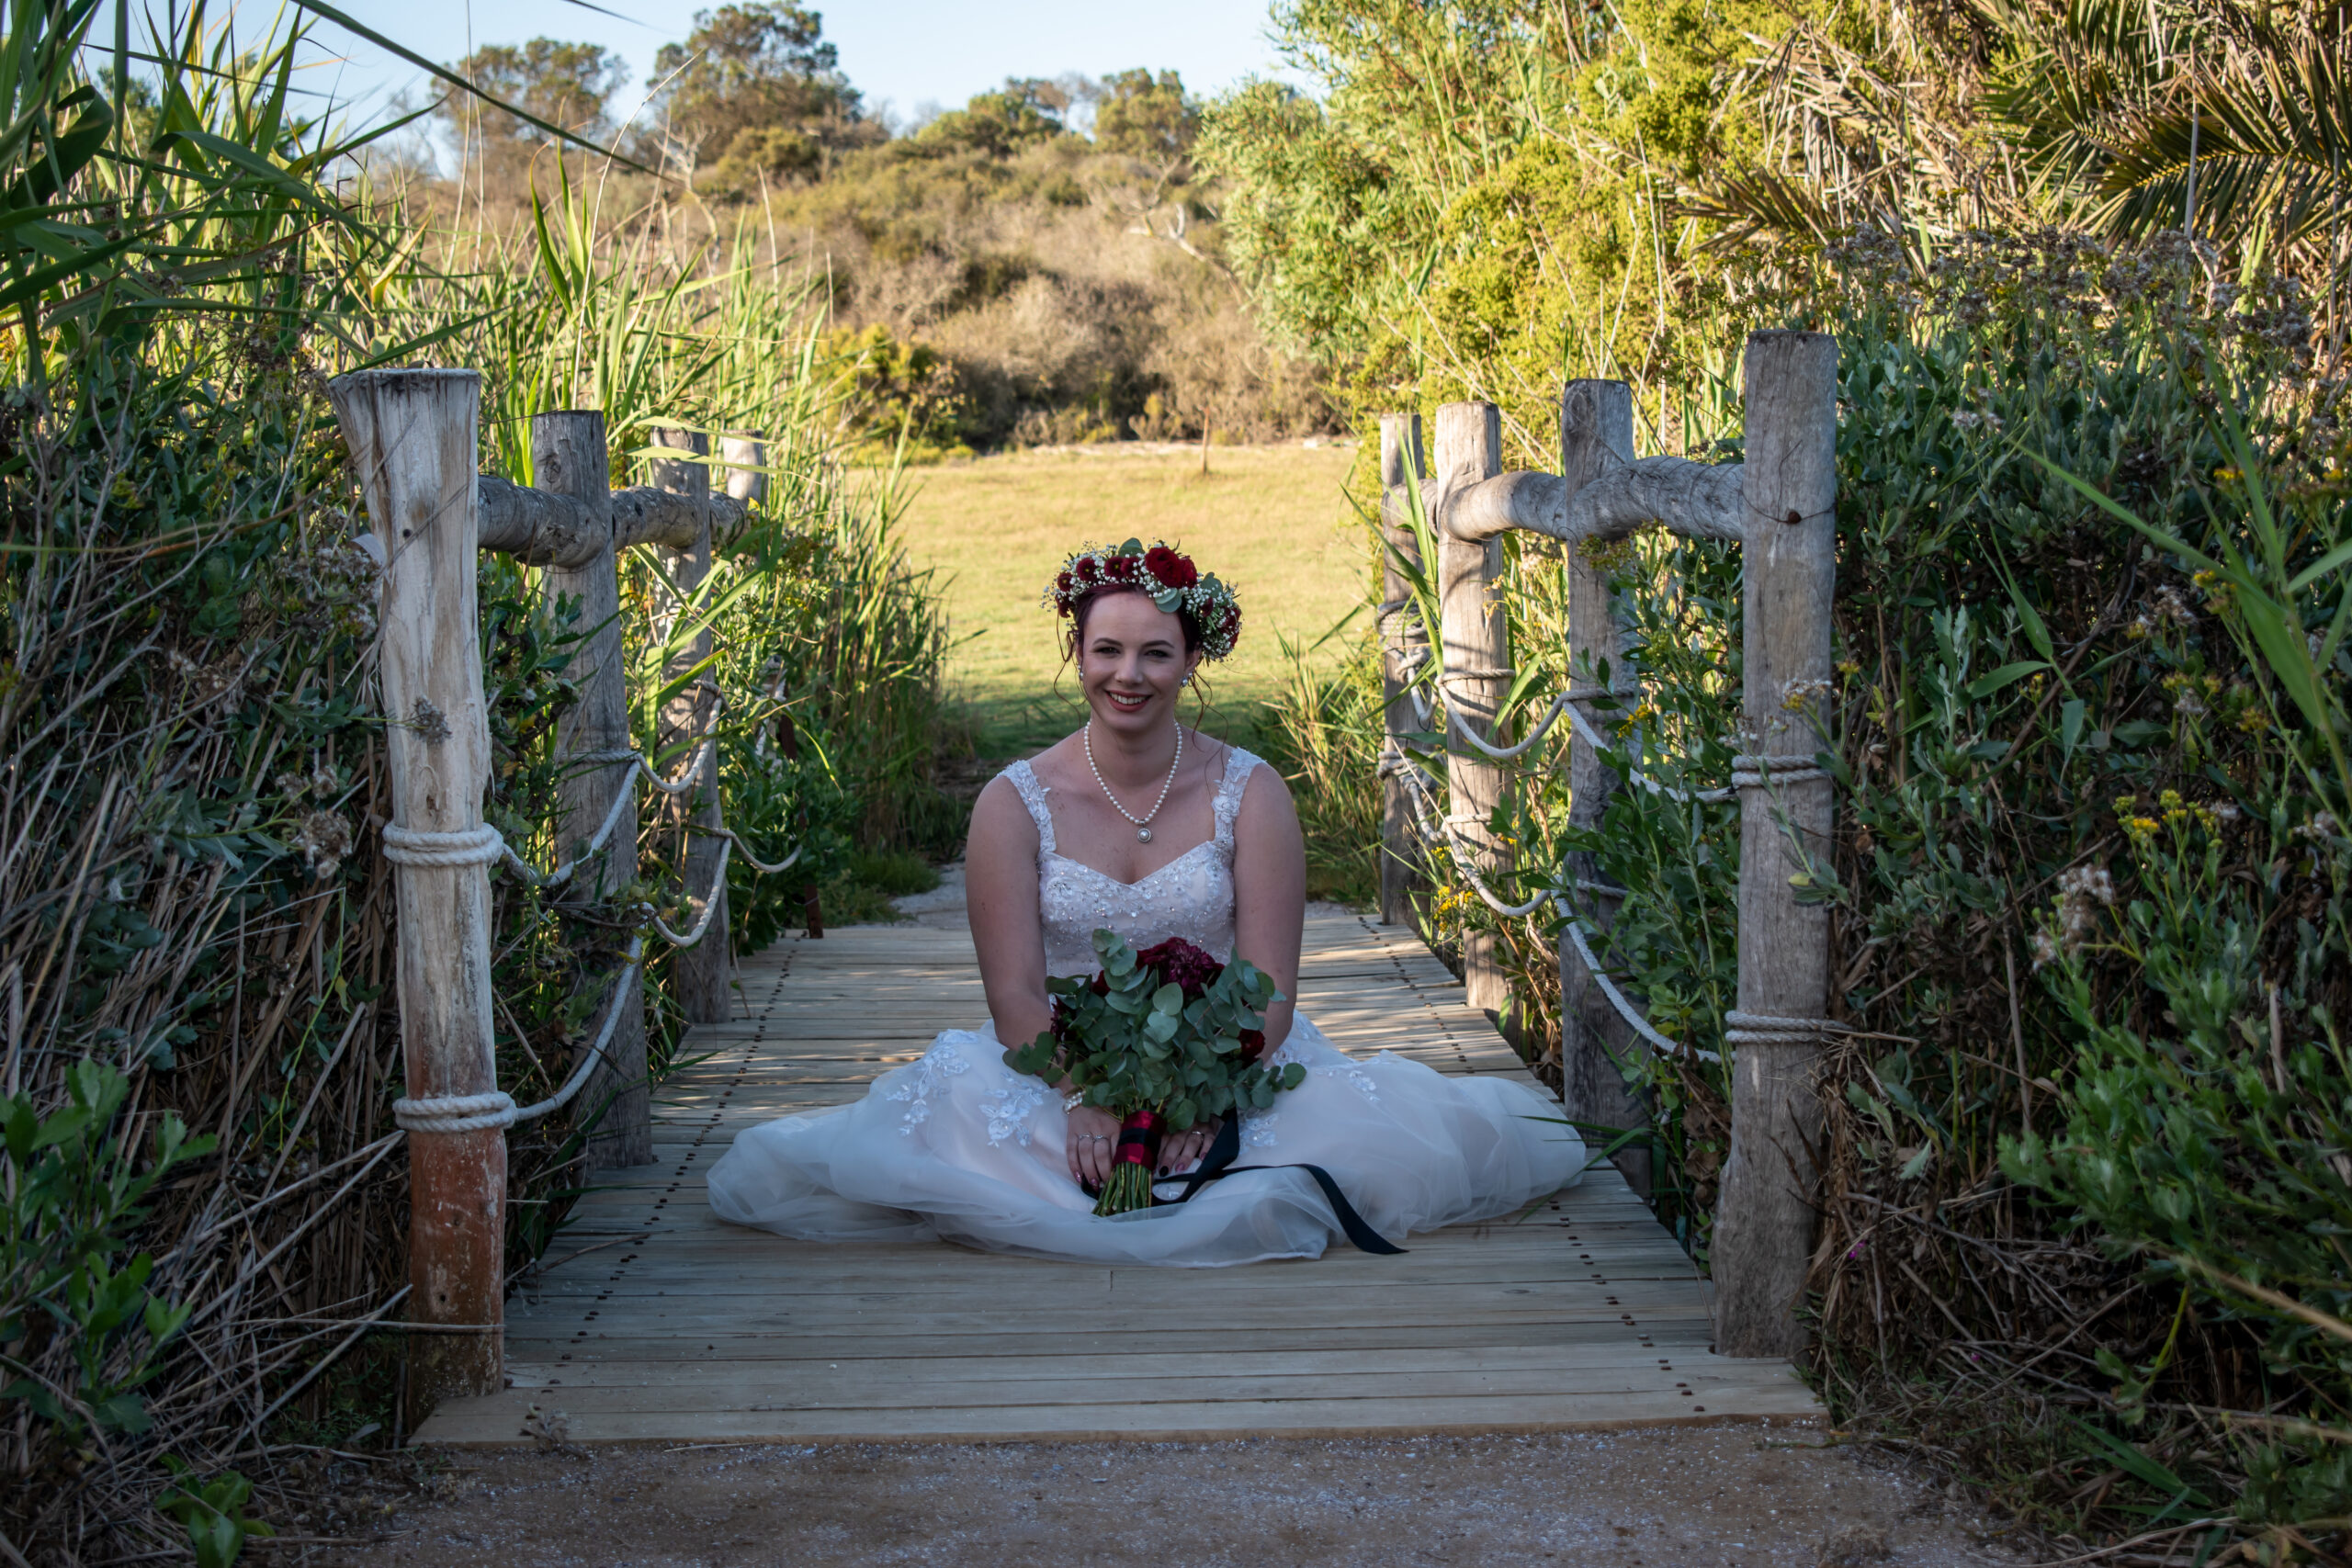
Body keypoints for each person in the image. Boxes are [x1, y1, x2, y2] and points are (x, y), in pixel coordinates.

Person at [707, 539, 1582, 1264]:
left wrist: (1200, 1095)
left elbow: (1271, 986)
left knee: (1318, 1150)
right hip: (1060, 1058)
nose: (1130, 675)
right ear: (1076, 655)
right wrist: (1084, 1094)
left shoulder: (1253, 792)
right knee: (976, 1148)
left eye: (1156, 652)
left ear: (1192, 660)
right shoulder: (1014, 804)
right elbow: (1014, 993)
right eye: (1107, 651)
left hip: (1228, 1057)